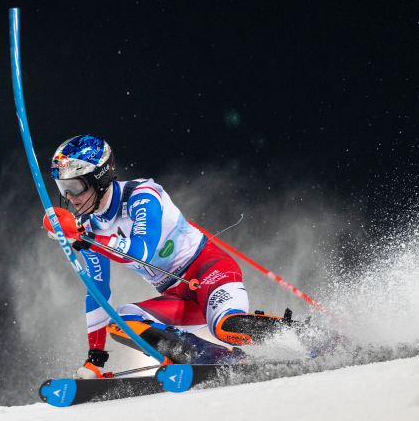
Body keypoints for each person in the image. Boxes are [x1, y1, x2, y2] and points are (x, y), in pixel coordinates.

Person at [45, 134, 301, 379]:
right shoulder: (88, 228)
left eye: (75, 186)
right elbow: (97, 289)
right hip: (176, 295)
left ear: (99, 177)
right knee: (122, 322)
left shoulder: (140, 196)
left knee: (226, 326)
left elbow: (141, 251)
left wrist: (88, 240)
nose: (69, 197)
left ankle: (310, 338)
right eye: (63, 188)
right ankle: (217, 359)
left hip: (209, 273)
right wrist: (95, 359)